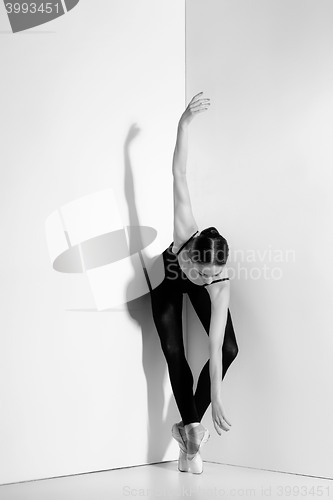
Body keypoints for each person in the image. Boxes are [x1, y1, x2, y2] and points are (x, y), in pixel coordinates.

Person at [150, 92, 239, 474]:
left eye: (212, 274)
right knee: (174, 351)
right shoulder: (186, 230)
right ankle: (190, 437)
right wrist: (183, 124)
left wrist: (216, 396)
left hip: (189, 287)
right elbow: (179, 173)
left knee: (233, 347)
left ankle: (191, 430)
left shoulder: (218, 281)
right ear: (194, 254)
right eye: (202, 271)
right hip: (168, 280)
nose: (207, 278)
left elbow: (216, 347)